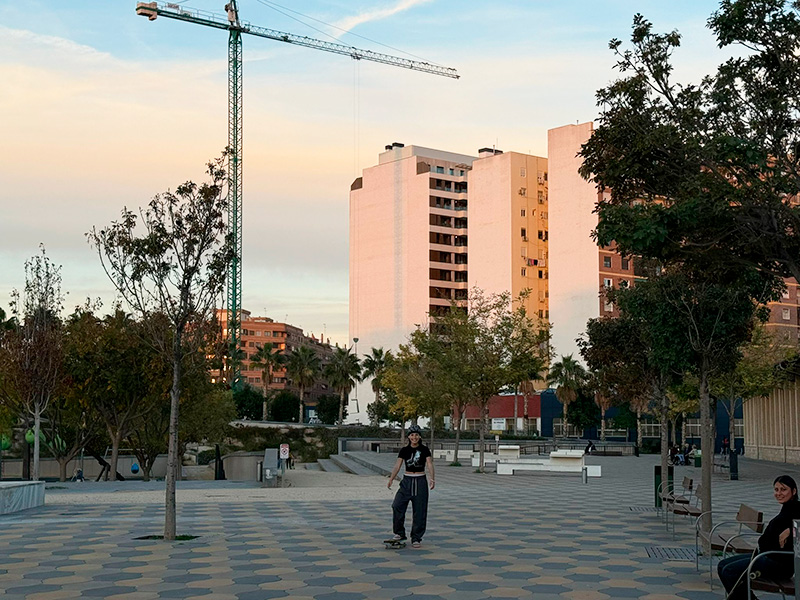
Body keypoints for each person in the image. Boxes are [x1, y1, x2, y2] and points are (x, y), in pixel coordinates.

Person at [717, 475, 800, 600]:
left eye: (783, 489)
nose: (779, 493)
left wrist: (791, 529)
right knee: (722, 565)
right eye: (776, 490)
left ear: (793, 491)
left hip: (779, 564)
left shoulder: (797, 507)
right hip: (766, 556)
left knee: (730, 572)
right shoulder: (788, 508)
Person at [387, 424, 435, 548]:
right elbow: (397, 465)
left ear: (419, 437)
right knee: (397, 505)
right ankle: (399, 533)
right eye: (412, 435)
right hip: (407, 481)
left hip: (420, 481)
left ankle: (416, 537)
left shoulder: (424, 450)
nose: (414, 437)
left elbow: (429, 464)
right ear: (408, 437)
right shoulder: (404, 450)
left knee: (419, 510)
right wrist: (391, 478)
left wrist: (432, 478)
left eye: (416, 435)